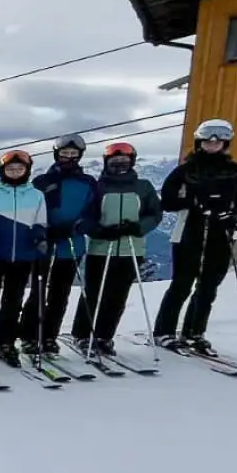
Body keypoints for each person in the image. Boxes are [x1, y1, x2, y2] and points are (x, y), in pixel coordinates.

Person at [152, 119, 237, 356]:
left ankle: (194, 332)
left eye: (218, 142)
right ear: (199, 142)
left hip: (221, 234)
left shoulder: (234, 171)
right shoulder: (187, 170)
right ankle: (164, 331)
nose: (212, 145)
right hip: (189, 231)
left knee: (208, 287)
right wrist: (193, 204)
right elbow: (166, 200)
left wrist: (233, 218)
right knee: (182, 284)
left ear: (225, 143)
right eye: (207, 141)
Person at [70, 142, 162, 356]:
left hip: (131, 248)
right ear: (106, 163)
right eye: (114, 162)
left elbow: (155, 214)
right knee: (94, 293)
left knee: (118, 296)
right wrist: (98, 230)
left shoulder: (143, 186)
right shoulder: (98, 186)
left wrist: (138, 227)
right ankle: (84, 334)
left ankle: (105, 336)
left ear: (132, 162)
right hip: (101, 249)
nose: (119, 165)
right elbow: (85, 216)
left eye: (124, 161)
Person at [23, 134, 98, 356]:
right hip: (44, 243)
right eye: (65, 154)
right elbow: (32, 211)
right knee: (37, 290)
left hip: (71, 243)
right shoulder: (42, 182)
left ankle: (49, 337)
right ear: (57, 155)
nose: (69, 158)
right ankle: (29, 336)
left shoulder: (87, 183)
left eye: (74, 155)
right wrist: (43, 230)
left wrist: (78, 226)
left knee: (60, 293)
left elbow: (93, 212)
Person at [0, 150, 49, 368]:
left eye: (19, 169)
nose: (15, 172)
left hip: (24, 256)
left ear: (27, 171)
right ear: (3, 171)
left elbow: (40, 223)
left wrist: (40, 238)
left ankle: (4, 343)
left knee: (13, 303)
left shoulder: (36, 195)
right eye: (10, 169)